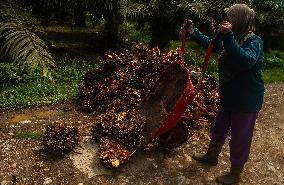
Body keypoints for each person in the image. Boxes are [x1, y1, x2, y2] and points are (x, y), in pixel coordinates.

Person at [181, 4, 264, 185]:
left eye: (232, 19)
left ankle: (235, 174)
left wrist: (229, 36)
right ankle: (212, 156)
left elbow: (245, 61)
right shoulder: (232, 38)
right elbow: (212, 45)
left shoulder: (254, 41)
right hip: (229, 97)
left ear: (241, 20)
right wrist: (193, 32)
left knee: (240, 137)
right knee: (218, 127)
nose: (229, 22)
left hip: (246, 101)